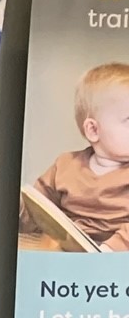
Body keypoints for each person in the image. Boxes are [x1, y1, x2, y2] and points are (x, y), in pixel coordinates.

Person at [21, 62, 129, 251]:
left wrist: (110, 249)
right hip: (68, 247)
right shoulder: (65, 165)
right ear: (93, 130)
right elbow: (36, 208)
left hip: (117, 255)